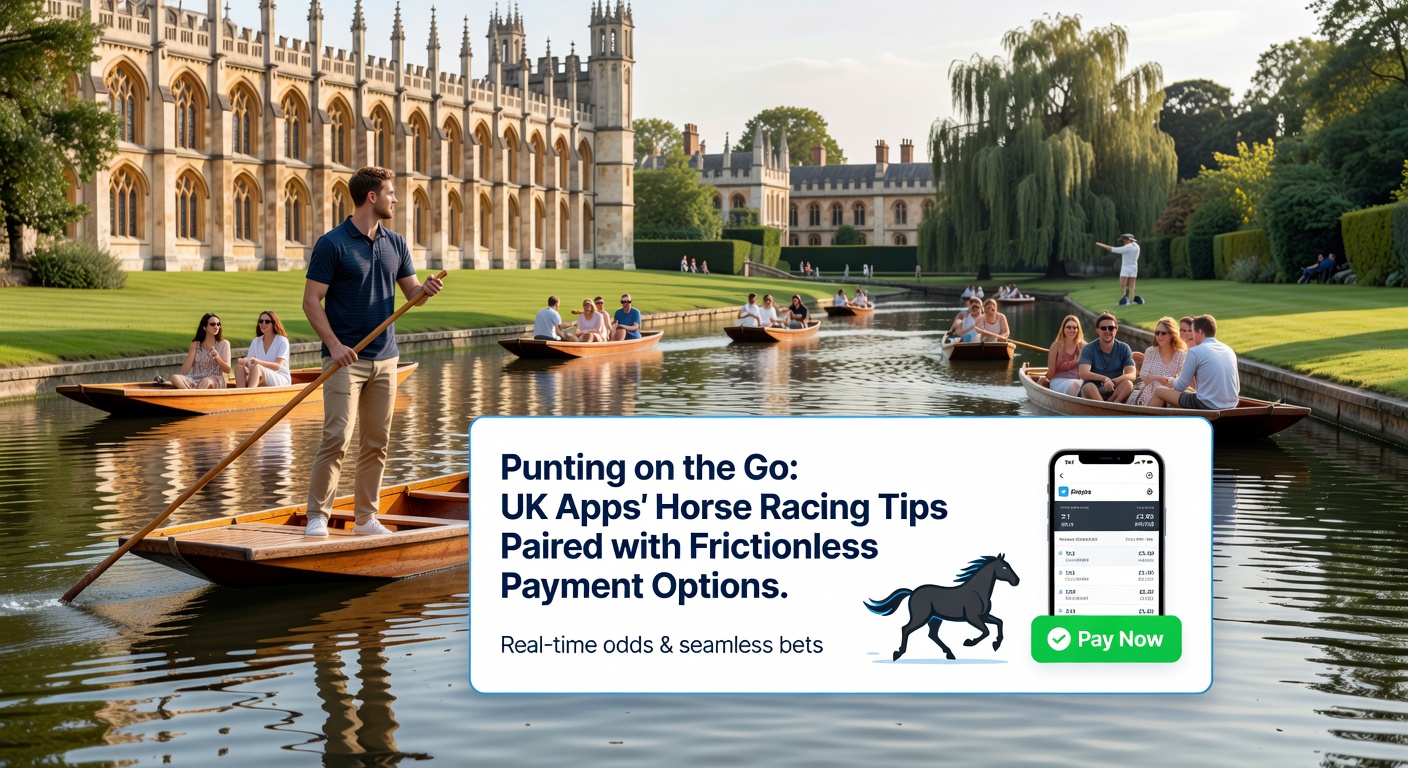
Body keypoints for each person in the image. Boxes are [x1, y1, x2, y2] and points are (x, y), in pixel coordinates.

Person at [302, 165, 443, 537]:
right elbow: (311, 301)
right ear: (372, 196)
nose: (395, 199)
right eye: (391, 193)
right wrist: (334, 346)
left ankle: (365, 519)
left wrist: (425, 291)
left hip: (386, 358)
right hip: (344, 360)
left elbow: (411, 294)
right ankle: (317, 516)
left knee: (376, 442)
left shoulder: (396, 243)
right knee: (336, 437)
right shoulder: (332, 243)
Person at [1146, 315, 1240, 410]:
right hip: (1232, 405)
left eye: (1192, 331)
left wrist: (1169, 380)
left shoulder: (1195, 352)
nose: (1192, 336)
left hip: (1205, 404)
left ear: (1200, 332)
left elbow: (1179, 386)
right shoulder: (1229, 350)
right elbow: (1237, 388)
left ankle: (1145, 419)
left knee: (1159, 391)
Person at [1077, 311, 1136, 402]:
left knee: (1128, 384)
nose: (1107, 331)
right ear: (1097, 330)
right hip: (1093, 391)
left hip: (1114, 390)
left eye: (1111, 328)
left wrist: (1114, 381)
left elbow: (1132, 374)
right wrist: (1104, 379)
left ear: (1116, 329)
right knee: (1089, 387)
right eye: (1103, 328)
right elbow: (1083, 373)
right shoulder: (1088, 348)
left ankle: (1112, 404)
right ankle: (1104, 406)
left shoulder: (1124, 348)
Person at [1130, 316, 1187, 407]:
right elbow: (1144, 377)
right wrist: (1158, 378)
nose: (1159, 336)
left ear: (1172, 334)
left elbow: (1182, 378)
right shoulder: (1151, 351)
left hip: (1171, 394)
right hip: (1148, 393)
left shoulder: (1181, 355)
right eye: (1157, 333)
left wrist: (1168, 381)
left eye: (1163, 333)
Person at [167, 313, 231, 389]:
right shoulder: (196, 345)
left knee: (206, 381)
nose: (216, 327)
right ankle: (190, 394)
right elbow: (183, 372)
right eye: (212, 324)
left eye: (218, 324)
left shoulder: (223, 344)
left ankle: (193, 394)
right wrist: (192, 350)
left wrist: (218, 358)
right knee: (174, 377)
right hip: (196, 378)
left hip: (215, 380)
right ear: (204, 327)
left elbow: (227, 370)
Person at [236, 310, 291, 388]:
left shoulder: (282, 341)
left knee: (257, 367)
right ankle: (240, 392)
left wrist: (258, 362)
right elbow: (250, 362)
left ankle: (250, 391)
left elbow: (278, 366)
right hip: (259, 374)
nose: (263, 324)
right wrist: (244, 361)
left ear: (273, 323)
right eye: (261, 321)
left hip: (279, 377)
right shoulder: (256, 341)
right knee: (240, 367)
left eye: (267, 322)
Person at [1037, 314, 1087, 395]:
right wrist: (1043, 379)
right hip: (1059, 381)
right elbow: (1051, 373)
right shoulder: (1055, 346)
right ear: (1063, 329)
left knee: (1085, 386)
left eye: (1075, 327)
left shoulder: (1083, 346)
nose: (1072, 330)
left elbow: (1085, 371)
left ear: (1078, 329)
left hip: (1079, 380)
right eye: (1069, 327)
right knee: (1076, 385)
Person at [1098, 233, 1143, 306]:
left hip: (1126, 267)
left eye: (1125, 240)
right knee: (1131, 285)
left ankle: (1125, 299)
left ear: (1129, 240)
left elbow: (1113, 249)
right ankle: (1131, 300)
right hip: (1134, 267)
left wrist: (1101, 245)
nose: (1124, 241)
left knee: (1122, 285)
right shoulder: (1137, 246)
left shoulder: (1128, 247)